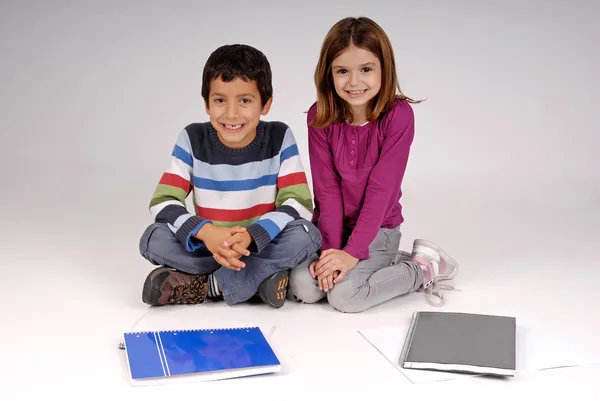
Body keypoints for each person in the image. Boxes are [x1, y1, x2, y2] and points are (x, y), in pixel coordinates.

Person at [288, 17, 459, 313]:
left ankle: (422, 268)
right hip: (334, 227)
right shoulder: (320, 117)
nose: (354, 82)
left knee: (345, 297)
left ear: (384, 69)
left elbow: (381, 191)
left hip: (380, 226)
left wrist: (352, 253)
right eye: (342, 71)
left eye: (366, 69)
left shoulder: (398, 116)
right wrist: (331, 251)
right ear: (328, 74)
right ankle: (380, 263)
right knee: (303, 287)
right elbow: (327, 191)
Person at [138, 44, 321, 309]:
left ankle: (209, 285)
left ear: (265, 104)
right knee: (153, 237)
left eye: (245, 101)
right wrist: (209, 234)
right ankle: (260, 278)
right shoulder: (192, 138)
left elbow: (298, 203)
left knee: (306, 235)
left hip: (260, 243)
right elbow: (164, 202)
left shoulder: (279, 136)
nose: (232, 114)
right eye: (220, 100)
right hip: (209, 246)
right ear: (206, 104)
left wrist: (251, 235)